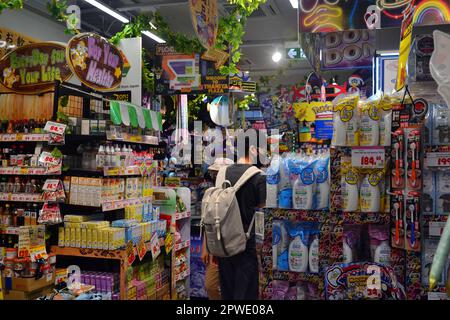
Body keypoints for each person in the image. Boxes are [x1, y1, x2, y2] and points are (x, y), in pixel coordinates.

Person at [216, 134, 267, 300]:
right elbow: (262, 215)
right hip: (246, 244)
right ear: (253, 149)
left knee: (227, 292)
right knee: (246, 293)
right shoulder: (259, 177)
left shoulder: (221, 173)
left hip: (223, 243)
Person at [201, 157, 234, 300]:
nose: (216, 176)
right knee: (210, 285)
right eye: (215, 173)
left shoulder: (234, 193)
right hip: (215, 249)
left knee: (231, 286)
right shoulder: (211, 193)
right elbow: (208, 222)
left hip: (232, 247)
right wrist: (205, 247)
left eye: (218, 173)